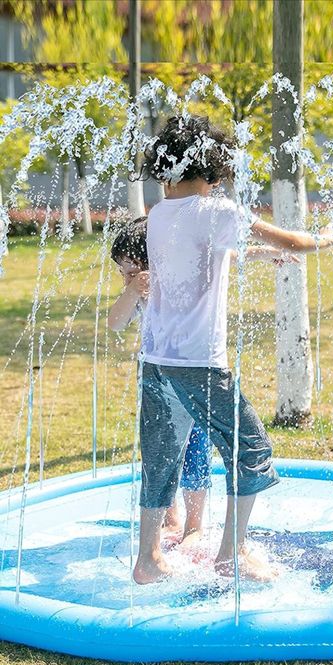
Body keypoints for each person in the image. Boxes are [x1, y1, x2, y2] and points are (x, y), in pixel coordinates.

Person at [133, 114, 333, 585]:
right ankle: (232, 554)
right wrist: (327, 238)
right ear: (212, 169)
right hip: (200, 364)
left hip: (155, 361)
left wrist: (254, 255)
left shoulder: (158, 214)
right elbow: (290, 238)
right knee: (250, 450)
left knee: (162, 456)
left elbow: (201, 254)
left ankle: (148, 558)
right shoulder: (219, 210)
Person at [108, 216, 299, 547]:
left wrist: (268, 253)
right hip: (158, 380)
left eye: (132, 269)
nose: (127, 276)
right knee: (162, 452)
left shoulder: (190, 274)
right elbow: (114, 323)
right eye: (123, 271)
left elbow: (230, 257)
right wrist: (132, 290)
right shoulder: (139, 292)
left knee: (196, 446)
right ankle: (170, 516)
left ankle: (194, 525)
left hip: (197, 376)